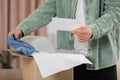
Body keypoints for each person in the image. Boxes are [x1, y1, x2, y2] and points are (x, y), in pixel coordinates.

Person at [8, 0, 120, 80]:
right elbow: (48, 8)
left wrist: (93, 30)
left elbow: (115, 13)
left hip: (101, 63)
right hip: (69, 62)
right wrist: (22, 28)